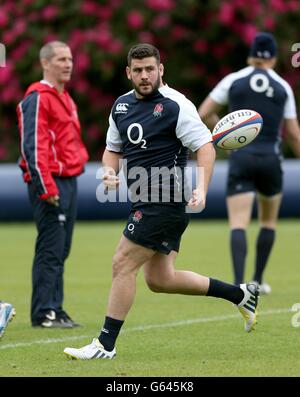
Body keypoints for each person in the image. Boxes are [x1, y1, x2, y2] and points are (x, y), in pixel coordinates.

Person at [64, 43, 259, 360]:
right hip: (142, 199)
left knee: (122, 263)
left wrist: (203, 188)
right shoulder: (121, 107)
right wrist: (109, 172)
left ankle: (104, 345)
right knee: (160, 279)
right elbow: (113, 149)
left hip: (165, 201)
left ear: (161, 69)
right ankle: (240, 294)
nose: (144, 76)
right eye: (138, 70)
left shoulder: (177, 105)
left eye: (150, 69)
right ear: (129, 73)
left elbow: (206, 147)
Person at [199, 32, 300, 294]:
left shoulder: (234, 80)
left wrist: (224, 132)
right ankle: (257, 279)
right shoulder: (282, 87)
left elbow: (203, 112)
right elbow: (293, 134)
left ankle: (239, 284)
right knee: (268, 222)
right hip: (270, 159)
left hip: (241, 157)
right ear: (274, 59)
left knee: (238, 222)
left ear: (250, 56)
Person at [16, 41, 89, 328]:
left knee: (62, 248)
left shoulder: (67, 98)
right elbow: (33, 146)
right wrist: (45, 186)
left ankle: (55, 309)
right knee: (51, 247)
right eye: (61, 59)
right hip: (50, 182)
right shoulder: (37, 97)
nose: (68, 64)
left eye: (70, 58)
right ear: (45, 63)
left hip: (69, 179)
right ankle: (44, 311)